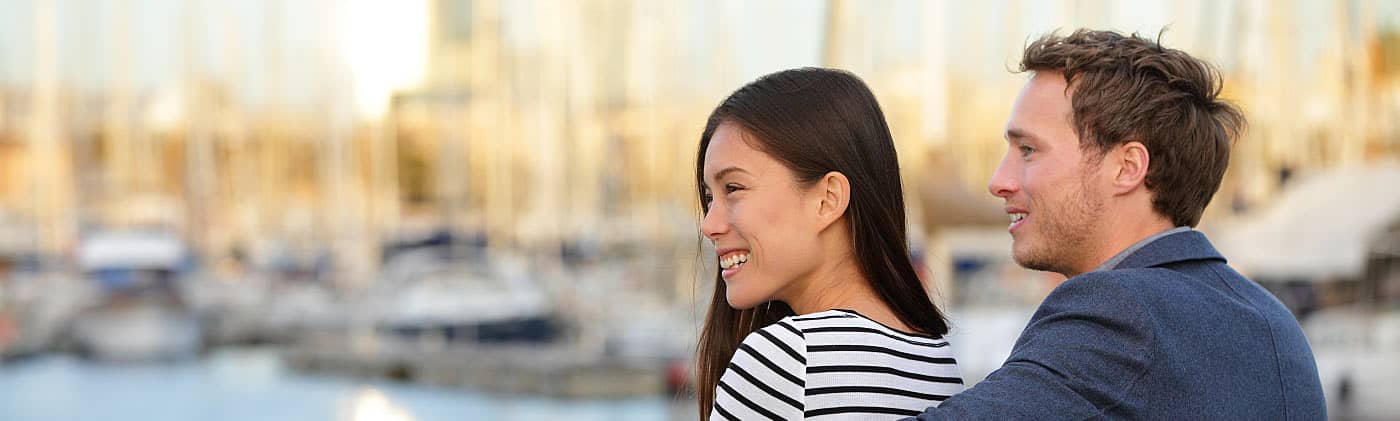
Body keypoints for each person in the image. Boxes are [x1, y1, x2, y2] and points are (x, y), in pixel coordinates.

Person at [909, 29, 1326, 420]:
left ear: (1127, 167)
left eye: (1029, 150)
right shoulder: (1273, 321)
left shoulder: (1117, 311)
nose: (998, 181)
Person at [695, 68, 962, 420]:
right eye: (709, 196)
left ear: (827, 199)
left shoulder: (787, 359)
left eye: (733, 188)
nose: (709, 225)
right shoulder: (939, 362)